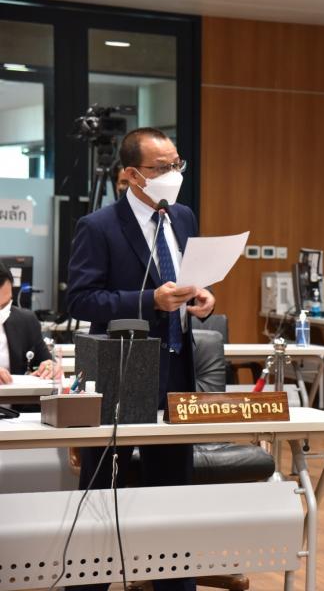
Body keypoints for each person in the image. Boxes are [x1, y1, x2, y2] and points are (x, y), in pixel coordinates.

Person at [67, 127, 215, 591]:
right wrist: (150, 299)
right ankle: (88, 584)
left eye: (177, 164)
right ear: (132, 175)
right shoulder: (99, 226)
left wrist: (203, 298)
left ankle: (174, 584)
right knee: (102, 491)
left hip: (177, 368)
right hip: (120, 371)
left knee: (172, 491)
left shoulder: (184, 217)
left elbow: (190, 280)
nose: (174, 174)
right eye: (162, 167)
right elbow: (82, 300)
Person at [0, 261, 54, 383]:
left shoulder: (26, 321)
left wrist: (50, 367)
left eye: (5, 304)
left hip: (17, 395)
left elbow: (46, 362)